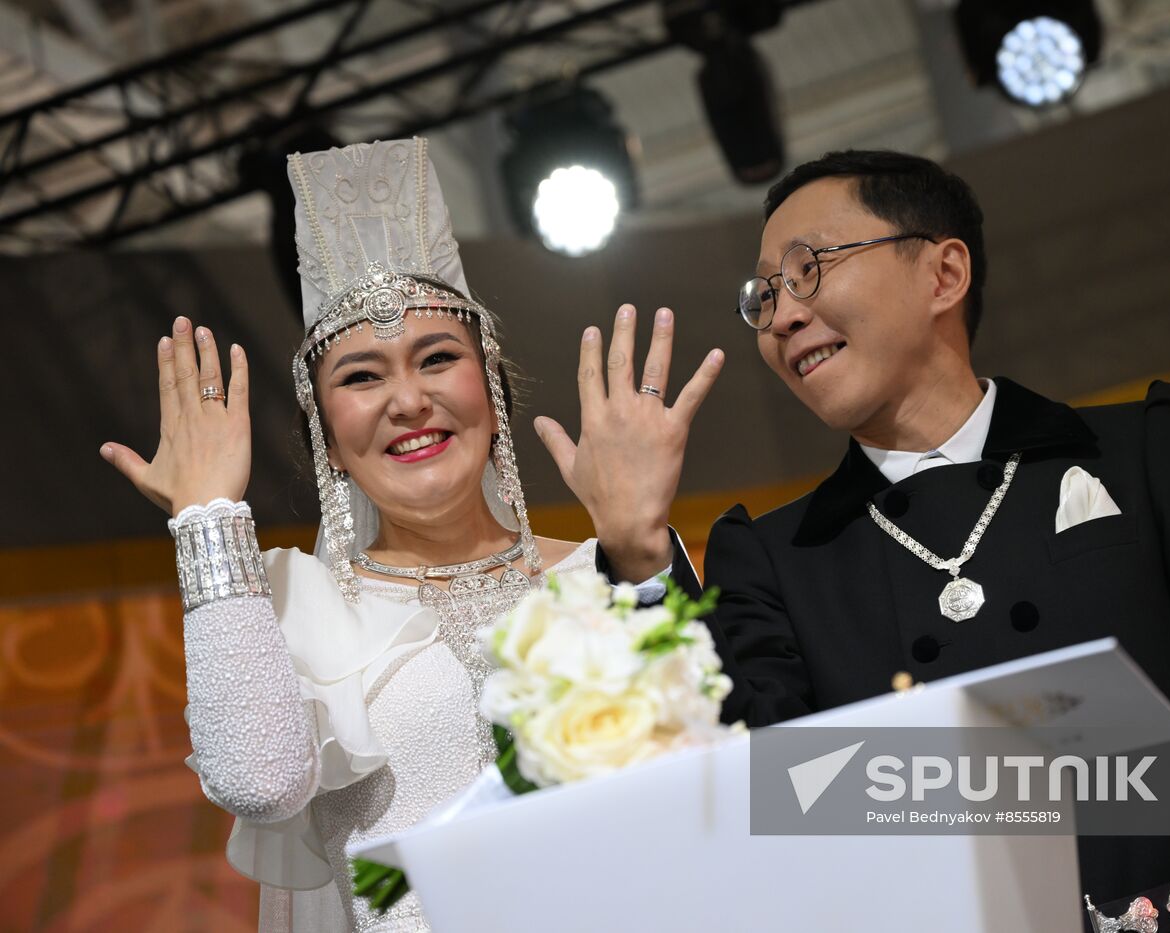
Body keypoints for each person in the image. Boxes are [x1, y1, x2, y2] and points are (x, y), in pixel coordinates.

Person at [614, 149, 1170, 931]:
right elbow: (759, 795)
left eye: (809, 267)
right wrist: (641, 551)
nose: (782, 314)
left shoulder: (1143, 454)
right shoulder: (778, 556)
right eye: (765, 293)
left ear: (944, 274)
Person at [98, 137, 720, 932]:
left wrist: (638, 545)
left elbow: (717, 772)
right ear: (326, 432)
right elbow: (258, 781)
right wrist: (208, 521)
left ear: (492, 394)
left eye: (436, 359)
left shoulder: (610, 569)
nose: (408, 399)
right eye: (361, 376)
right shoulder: (296, 603)